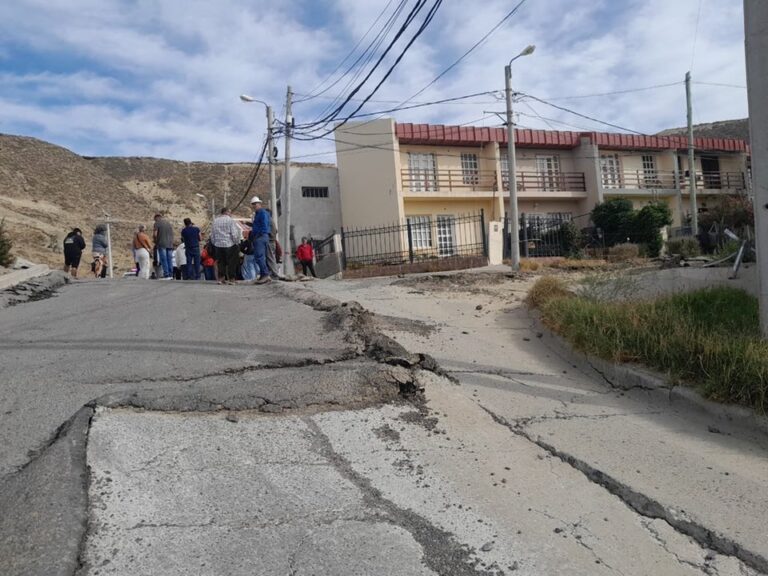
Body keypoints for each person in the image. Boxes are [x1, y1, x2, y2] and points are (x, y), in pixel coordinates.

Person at [210, 207, 242, 284]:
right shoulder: (230, 221)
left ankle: (221, 279)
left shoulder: (215, 221)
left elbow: (212, 234)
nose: (230, 214)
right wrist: (237, 242)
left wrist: (214, 243)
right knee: (231, 262)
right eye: (230, 212)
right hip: (229, 244)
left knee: (220, 262)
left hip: (218, 245)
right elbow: (234, 234)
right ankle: (231, 279)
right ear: (227, 212)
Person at [250, 196, 271, 284]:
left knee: (259, 256)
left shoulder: (262, 213)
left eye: (255, 204)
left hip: (261, 237)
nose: (254, 205)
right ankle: (263, 275)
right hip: (259, 237)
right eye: (253, 204)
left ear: (259, 204)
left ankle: (265, 275)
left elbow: (264, 226)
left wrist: (258, 234)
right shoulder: (258, 214)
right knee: (259, 257)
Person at [153, 213, 174, 279]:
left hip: (161, 244)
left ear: (156, 217)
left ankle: (166, 274)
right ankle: (171, 274)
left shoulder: (157, 223)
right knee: (169, 259)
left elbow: (155, 234)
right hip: (170, 244)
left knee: (163, 259)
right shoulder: (168, 223)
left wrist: (155, 241)